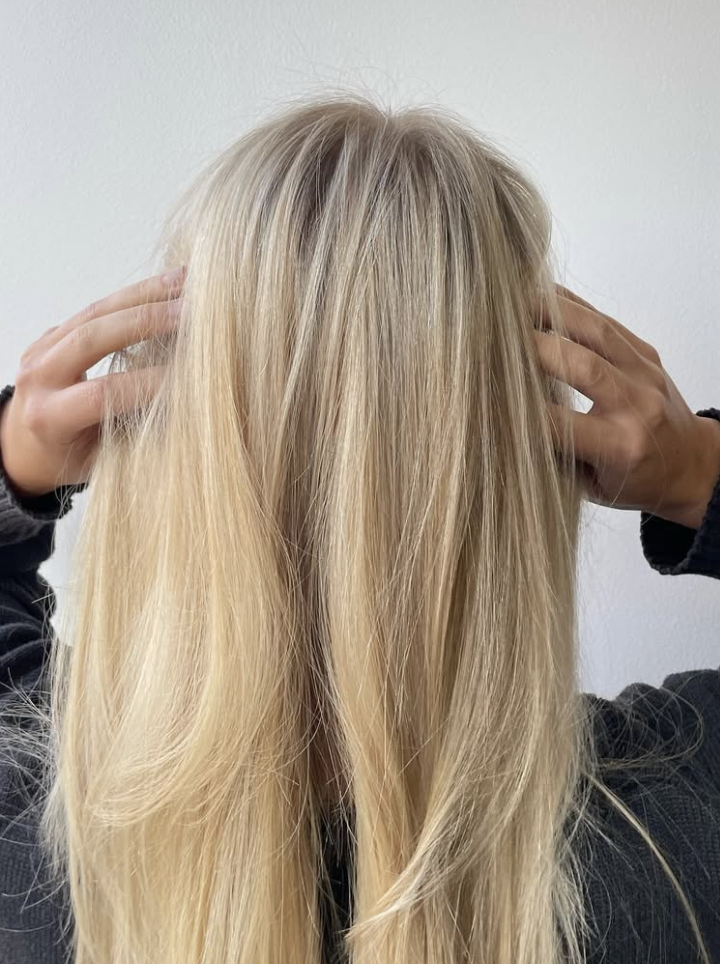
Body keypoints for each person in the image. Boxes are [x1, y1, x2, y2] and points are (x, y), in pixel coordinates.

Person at [1, 93, 719, 964]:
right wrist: (696, 472)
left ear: (167, 448)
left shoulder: (42, 831)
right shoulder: (672, 834)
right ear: (523, 461)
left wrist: (12, 460)